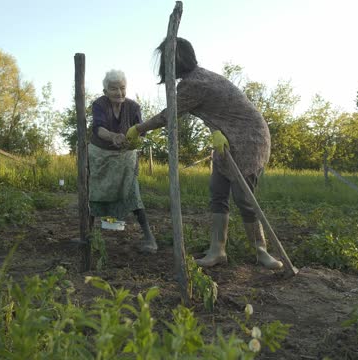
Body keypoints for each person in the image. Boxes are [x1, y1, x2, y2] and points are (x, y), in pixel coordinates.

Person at [126, 38, 282, 269]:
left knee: (244, 198)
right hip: (225, 138)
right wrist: (215, 130)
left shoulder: (194, 84)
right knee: (218, 193)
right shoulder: (198, 78)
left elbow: (169, 115)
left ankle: (262, 251)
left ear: (176, 59)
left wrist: (138, 129)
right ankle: (217, 250)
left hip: (250, 138)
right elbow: (218, 111)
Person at [89, 69, 157, 253]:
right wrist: (113, 136)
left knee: (133, 194)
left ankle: (150, 239)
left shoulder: (134, 107)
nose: (119, 93)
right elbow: (98, 129)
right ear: (105, 91)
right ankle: (87, 236)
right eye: (113, 89)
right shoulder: (99, 104)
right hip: (101, 157)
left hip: (125, 158)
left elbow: (141, 132)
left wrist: (134, 140)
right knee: (93, 193)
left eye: (122, 88)